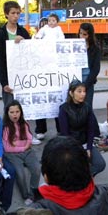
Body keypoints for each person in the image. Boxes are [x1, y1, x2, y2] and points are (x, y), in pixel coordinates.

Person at [58, 80, 105, 176]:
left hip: (86, 143)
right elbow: (65, 134)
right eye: (79, 91)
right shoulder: (64, 109)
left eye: (84, 91)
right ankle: (83, 181)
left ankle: (83, 178)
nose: (83, 94)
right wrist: (76, 150)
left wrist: (88, 148)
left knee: (100, 164)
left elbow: (91, 130)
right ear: (71, 93)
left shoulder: (87, 107)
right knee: (77, 166)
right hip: (72, 146)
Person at [2, 100, 41, 206]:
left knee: (37, 169)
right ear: (7, 113)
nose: (15, 115)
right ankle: (26, 195)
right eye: (12, 112)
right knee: (20, 173)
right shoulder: (6, 127)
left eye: (17, 111)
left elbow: (29, 139)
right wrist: (22, 147)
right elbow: (8, 147)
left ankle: (34, 192)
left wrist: (18, 144)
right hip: (13, 155)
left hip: (28, 152)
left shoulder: (24, 123)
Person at [33, 13, 64, 141]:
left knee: (57, 101)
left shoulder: (58, 30)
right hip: (42, 69)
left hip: (55, 67)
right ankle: (40, 130)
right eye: (50, 20)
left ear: (57, 22)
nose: (51, 22)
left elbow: (62, 41)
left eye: (53, 20)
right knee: (41, 100)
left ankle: (60, 129)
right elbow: (37, 37)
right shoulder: (44, 29)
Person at [0, 1, 30, 110]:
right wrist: (4, 83)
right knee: (10, 110)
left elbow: (31, 52)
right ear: (6, 14)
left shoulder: (23, 32)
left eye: (18, 13)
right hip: (9, 81)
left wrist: (24, 42)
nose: (16, 16)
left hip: (24, 78)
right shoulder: (1, 34)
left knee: (24, 111)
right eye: (13, 13)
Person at [79, 23, 100, 109]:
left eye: (85, 34)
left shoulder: (95, 48)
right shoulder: (73, 46)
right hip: (75, 82)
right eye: (80, 33)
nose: (82, 36)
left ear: (90, 35)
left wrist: (86, 85)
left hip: (88, 82)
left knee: (87, 108)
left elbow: (96, 69)